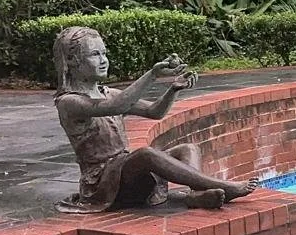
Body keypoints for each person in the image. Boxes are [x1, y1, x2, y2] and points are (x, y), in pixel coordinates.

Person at [52, 25, 257, 213]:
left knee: (188, 149)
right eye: (95, 55)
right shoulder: (69, 102)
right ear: (72, 61)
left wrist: (173, 89)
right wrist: (152, 74)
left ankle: (195, 194)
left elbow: (154, 112)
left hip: (126, 172)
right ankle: (222, 186)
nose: (104, 60)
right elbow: (117, 106)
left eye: (104, 53)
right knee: (145, 155)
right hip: (103, 184)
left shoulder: (110, 93)